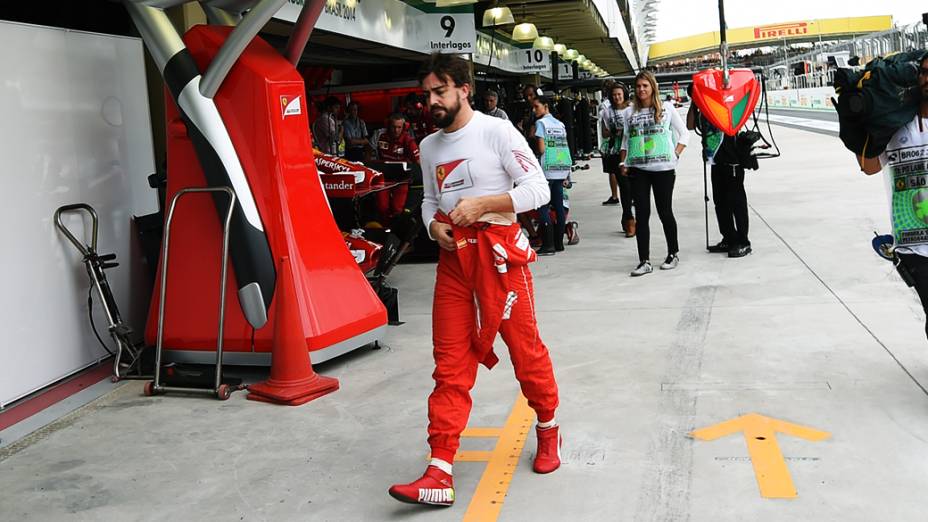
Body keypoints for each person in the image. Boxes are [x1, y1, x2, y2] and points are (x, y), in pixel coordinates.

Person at [388, 53, 561, 508]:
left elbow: (538, 189)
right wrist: (432, 227)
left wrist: (485, 204)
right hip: (453, 263)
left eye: (440, 91)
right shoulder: (428, 147)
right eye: (427, 93)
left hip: (501, 257)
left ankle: (547, 427)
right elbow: (429, 200)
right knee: (449, 363)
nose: (432, 101)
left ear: (464, 88)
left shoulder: (496, 131)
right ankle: (439, 468)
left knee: (525, 351)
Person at [857, 53, 928, 339]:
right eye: (924, 72)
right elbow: (869, 166)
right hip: (913, 243)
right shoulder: (895, 122)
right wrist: (859, 125)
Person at [620, 70, 689, 277]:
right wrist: (623, 161)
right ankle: (644, 260)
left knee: (664, 211)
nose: (641, 89)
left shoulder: (666, 108)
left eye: (645, 86)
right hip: (639, 170)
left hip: (664, 170)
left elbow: (684, 133)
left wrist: (675, 155)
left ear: (652, 87)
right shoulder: (628, 112)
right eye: (638, 86)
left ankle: (672, 253)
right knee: (641, 215)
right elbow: (625, 140)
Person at [686, 87, 751, 257]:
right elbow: (690, 125)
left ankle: (743, 242)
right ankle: (729, 238)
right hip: (715, 163)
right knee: (720, 203)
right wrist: (695, 102)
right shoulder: (703, 111)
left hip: (733, 162)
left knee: (736, 203)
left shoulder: (725, 105)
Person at [533, 95, 572, 255]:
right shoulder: (560, 124)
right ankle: (558, 244)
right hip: (561, 167)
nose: (534, 110)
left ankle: (548, 245)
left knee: (542, 206)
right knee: (558, 205)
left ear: (546, 106)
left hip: (546, 169)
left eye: (537, 106)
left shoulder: (540, 123)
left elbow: (541, 149)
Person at [600, 82, 636, 236]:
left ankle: (628, 216)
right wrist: (615, 131)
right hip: (617, 153)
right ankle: (629, 219)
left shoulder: (633, 108)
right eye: (614, 95)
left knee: (635, 188)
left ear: (625, 94)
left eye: (619, 94)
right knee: (625, 187)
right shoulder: (607, 112)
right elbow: (604, 133)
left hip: (634, 150)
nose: (617, 97)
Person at [372, 113, 419, 222]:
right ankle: (384, 229)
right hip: (383, 178)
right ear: (388, 126)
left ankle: (396, 232)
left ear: (404, 127)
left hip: (401, 179)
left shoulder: (408, 140)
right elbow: (369, 153)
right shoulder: (380, 136)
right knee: (382, 208)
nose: (396, 130)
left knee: (397, 209)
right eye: (393, 127)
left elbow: (419, 161)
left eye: (399, 127)